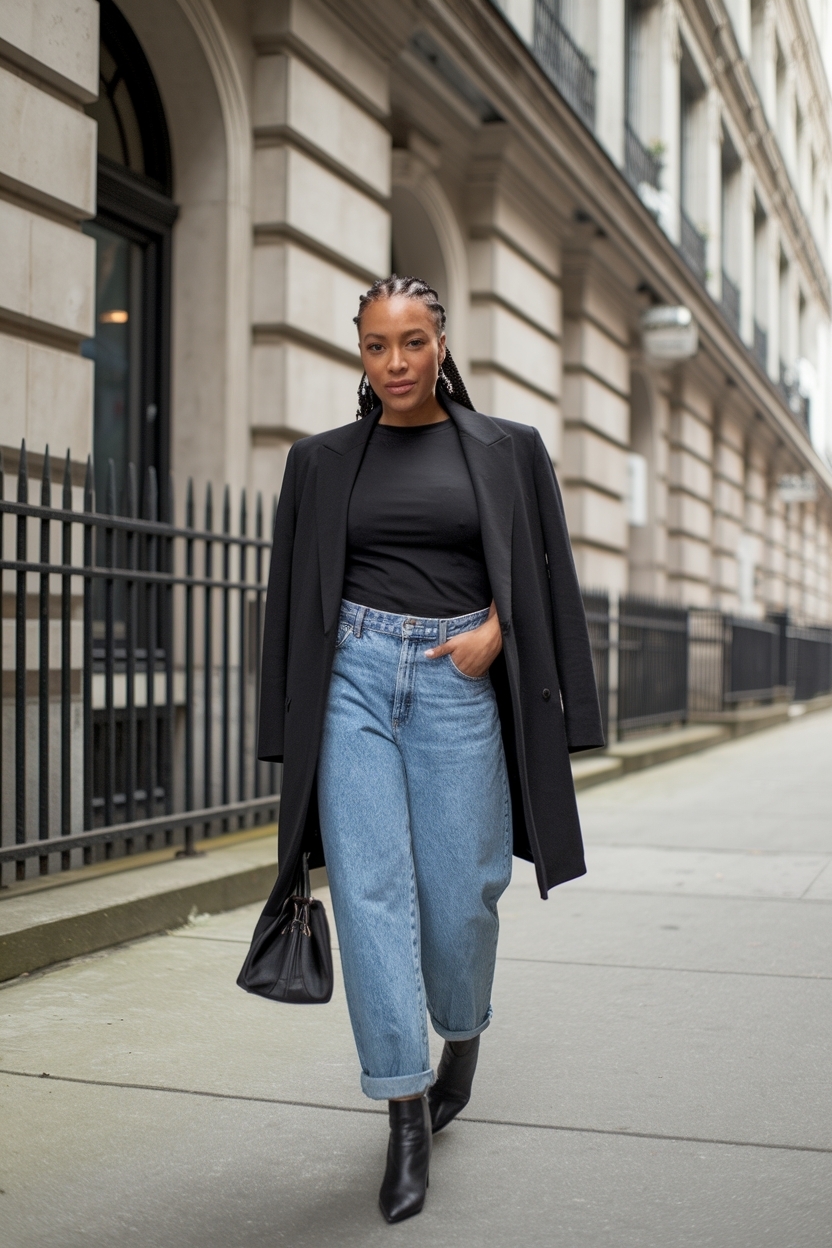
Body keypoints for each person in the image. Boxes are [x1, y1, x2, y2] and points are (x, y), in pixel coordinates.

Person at [251, 274, 604, 1223]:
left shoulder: (507, 450)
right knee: (368, 899)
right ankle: (404, 1110)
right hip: (354, 678)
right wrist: (280, 719)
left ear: (442, 342)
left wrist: (499, 630)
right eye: (376, 345)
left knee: (462, 896)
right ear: (359, 353)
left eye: (412, 342)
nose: (396, 363)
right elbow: (291, 598)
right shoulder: (322, 462)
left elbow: (543, 574)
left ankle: (462, 1040)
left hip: (457, 680)